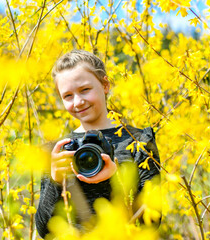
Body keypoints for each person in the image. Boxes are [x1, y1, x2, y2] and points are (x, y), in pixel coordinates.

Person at [35, 49, 160, 238]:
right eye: (68, 96)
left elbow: (153, 220)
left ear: (105, 85)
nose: (78, 102)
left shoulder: (139, 141)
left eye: (85, 90)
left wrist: (115, 180)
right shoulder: (57, 150)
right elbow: (44, 230)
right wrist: (55, 182)